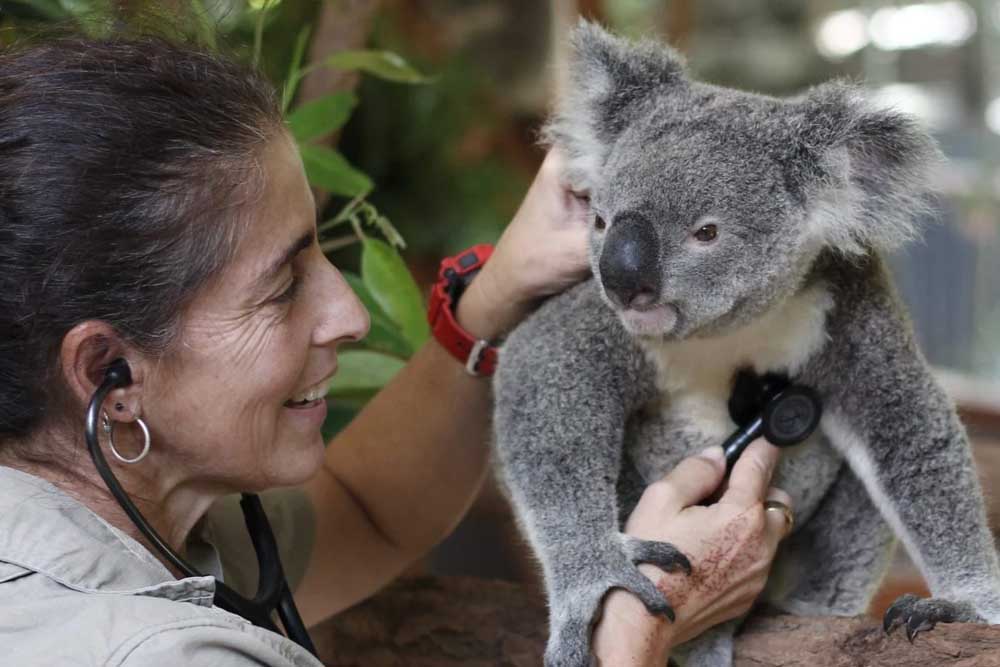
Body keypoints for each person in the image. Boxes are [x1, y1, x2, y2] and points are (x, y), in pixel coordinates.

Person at [0, 32, 793, 666]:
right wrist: (635, 622)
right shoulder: (153, 652)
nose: (348, 312)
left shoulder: (132, 512)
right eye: (283, 284)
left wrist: (490, 302)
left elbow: (365, 511)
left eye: (321, 254)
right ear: (111, 373)